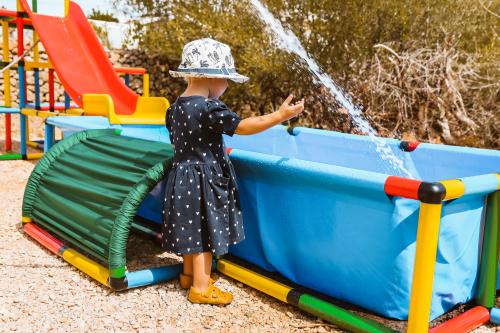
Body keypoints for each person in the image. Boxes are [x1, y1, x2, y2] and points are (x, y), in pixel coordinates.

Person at [163, 38, 304, 305]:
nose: (226, 86)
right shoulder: (208, 108)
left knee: (191, 226)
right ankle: (201, 288)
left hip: (182, 177)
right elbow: (243, 127)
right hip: (205, 179)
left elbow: (178, 143)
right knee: (203, 233)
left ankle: (188, 275)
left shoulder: (174, 109)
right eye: (226, 80)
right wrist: (279, 116)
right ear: (210, 77)